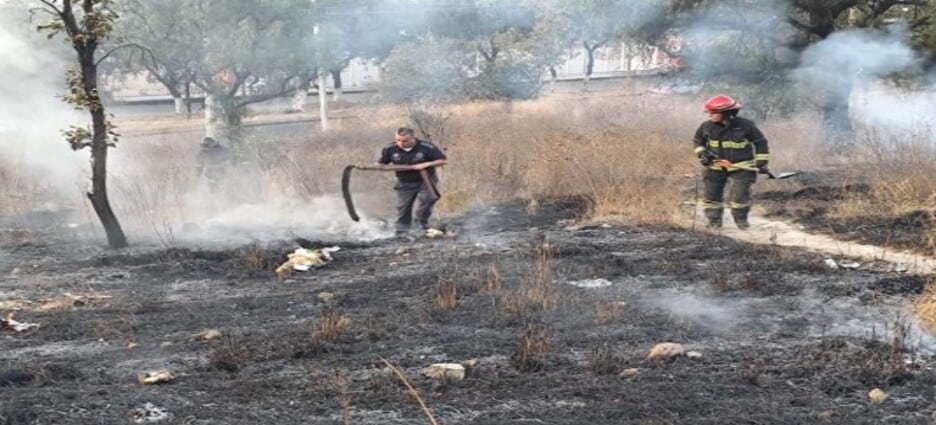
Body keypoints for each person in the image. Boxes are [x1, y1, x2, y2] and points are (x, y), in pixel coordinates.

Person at [692, 95, 769, 230]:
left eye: (714, 112)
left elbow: (760, 143)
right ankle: (714, 223)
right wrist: (703, 154)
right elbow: (698, 141)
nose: (710, 115)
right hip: (715, 165)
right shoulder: (706, 126)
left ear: (727, 113)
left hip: (742, 166)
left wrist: (761, 162)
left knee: (740, 195)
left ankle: (741, 222)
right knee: (712, 195)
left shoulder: (746, 126)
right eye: (709, 112)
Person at [361, 127, 448, 235]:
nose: (401, 143)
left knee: (428, 199)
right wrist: (367, 167)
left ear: (413, 138)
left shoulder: (426, 147)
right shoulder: (390, 148)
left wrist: (426, 164)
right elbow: (382, 164)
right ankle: (402, 230)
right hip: (404, 181)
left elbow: (443, 160)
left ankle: (421, 222)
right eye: (398, 140)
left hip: (425, 180)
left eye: (405, 141)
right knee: (403, 207)